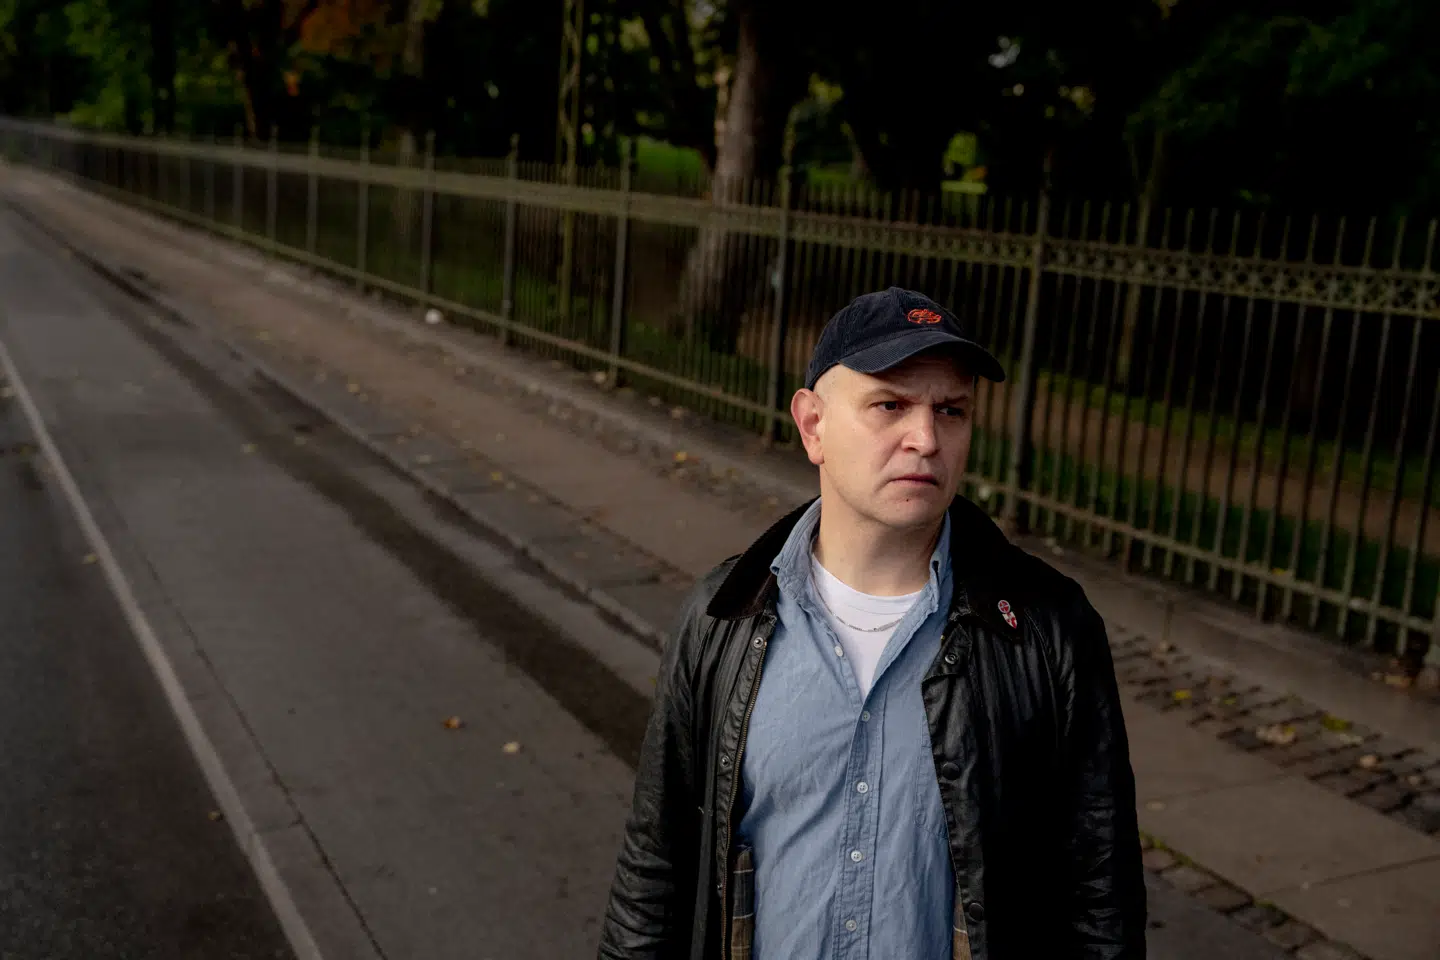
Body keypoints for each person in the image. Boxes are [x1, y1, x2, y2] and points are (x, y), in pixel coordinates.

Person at [598, 287, 1146, 960]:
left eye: (952, 410)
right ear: (813, 426)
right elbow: (656, 866)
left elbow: (1101, 898)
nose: (925, 438)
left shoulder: (1045, 630)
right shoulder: (725, 616)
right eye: (890, 405)